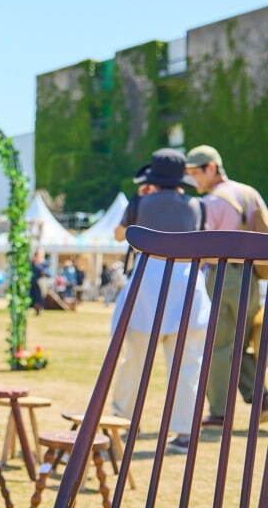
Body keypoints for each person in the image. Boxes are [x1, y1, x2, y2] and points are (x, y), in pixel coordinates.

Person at [110, 148, 210, 452]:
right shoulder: (197, 206)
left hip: (149, 282)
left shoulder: (140, 202)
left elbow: (119, 235)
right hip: (187, 282)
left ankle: (124, 420)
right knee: (187, 363)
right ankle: (184, 431)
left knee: (136, 359)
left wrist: (141, 203)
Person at [184, 144, 268, 426]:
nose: (195, 179)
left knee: (219, 346)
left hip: (223, 275)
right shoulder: (249, 192)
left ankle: (219, 411)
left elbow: (203, 246)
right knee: (239, 345)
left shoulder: (211, 202)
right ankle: (261, 400)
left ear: (211, 167)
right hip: (253, 277)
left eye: (197, 172)